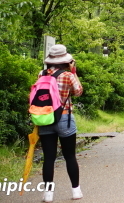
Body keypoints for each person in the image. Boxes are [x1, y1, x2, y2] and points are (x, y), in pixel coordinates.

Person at [37, 44, 84, 202]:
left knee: (48, 158)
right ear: (66, 60)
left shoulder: (42, 74)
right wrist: (74, 73)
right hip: (64, 118)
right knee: (70, 156)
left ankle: (48, 194)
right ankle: (76, 191)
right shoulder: (67, 75)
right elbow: (78, 91)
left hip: (45, 118)